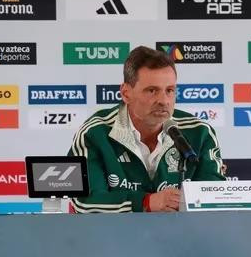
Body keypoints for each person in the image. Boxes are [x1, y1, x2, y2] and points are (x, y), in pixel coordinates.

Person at [68, 45, 225, 212]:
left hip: (182, 236)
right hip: (113, 236)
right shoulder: (95, 133)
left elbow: (215, 201)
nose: (164, 101)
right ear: (126, 93)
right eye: (152, 91)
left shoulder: (199, 132)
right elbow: (86, 202)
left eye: (169, 91)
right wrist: (146, 202)